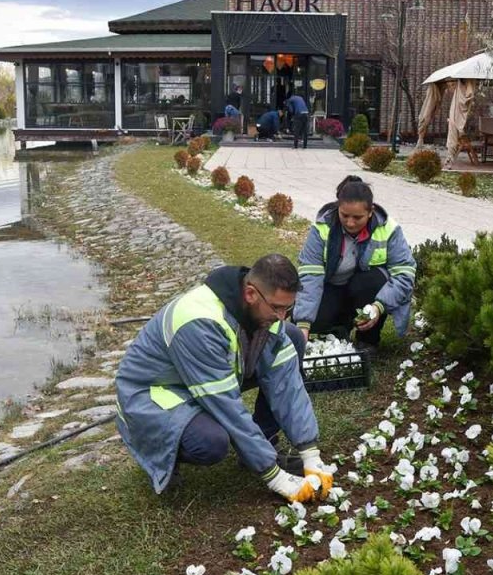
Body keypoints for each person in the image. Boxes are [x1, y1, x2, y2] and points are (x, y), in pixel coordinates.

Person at [114, 254, 333, 503]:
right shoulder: (199, 321)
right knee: (210, 442)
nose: (282, 316)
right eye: (277, 308)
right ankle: (163, 450)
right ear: (251, 294)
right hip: (154, 395)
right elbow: (225, 405)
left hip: (205, 379)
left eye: (288, 308)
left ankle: (263, 444)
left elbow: (286, 384)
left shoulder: (264, 311)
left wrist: (310, 454)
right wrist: (275, 477)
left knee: (291, 337)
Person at [293, 176, 417, 349]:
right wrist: (304, 323)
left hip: (366, 290)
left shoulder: (389, 230)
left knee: (370, 283)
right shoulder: (321, 228)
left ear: (371, 211)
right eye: (344, 215)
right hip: (332, 286)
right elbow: (310, 276)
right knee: (314, 325)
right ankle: (339, 328)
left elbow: (405, 274)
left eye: (358, 217)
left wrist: (378, 307)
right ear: (338, 207)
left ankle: (367, 340)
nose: (350, 223)